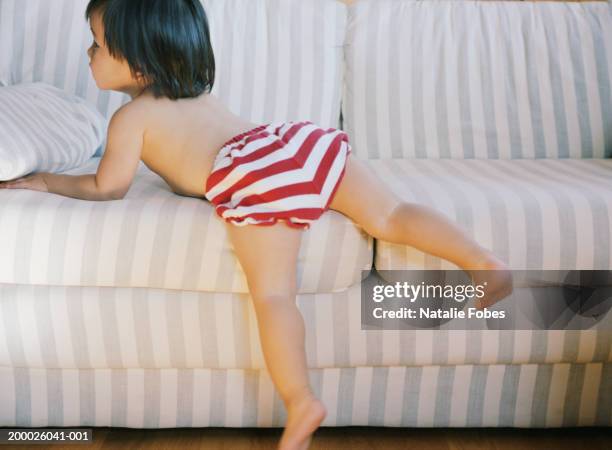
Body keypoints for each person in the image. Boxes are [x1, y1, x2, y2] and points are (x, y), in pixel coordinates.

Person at [0, 1, 513, 448]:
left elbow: (107, 186)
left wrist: (47, 181)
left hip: (251, 174)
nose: (88, 54)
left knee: (274, 297)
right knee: (391, 214)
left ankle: (301, 400)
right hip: (294, 141)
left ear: (137, 62)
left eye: (97, 43)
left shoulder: (131, 120)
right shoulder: (201, 96)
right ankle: (484, 262)